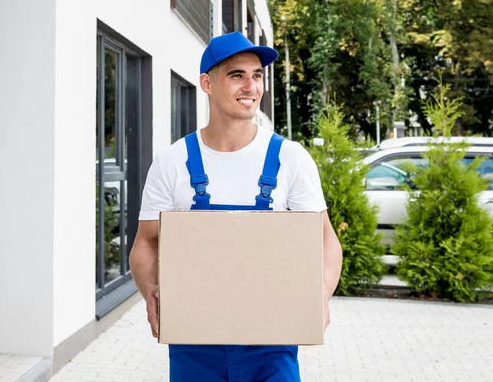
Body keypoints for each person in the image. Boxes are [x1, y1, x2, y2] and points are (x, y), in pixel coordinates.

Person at [130, 31, 343, 382]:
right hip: (194, 341)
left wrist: (319, 293)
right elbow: (146, 242)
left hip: (272, 344)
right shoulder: (172, 161)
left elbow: (325, 240)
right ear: (206, 83)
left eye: (257, 75)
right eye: (237, 75)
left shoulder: (291, 158)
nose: (251, 86)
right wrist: (150, 289)